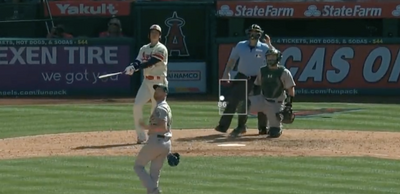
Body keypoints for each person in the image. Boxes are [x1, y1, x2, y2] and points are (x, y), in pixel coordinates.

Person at [215, 24, 275, 137]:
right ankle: (228, 126)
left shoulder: (264, 47)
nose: (253, 34)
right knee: (234, 101)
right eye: (251, 32)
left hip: (258, 78)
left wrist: (270, 44)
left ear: (259, 34)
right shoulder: (240, 45)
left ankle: (263, 128)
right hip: (242, 76)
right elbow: (232, 60)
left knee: (261, 102)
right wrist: (227, 72)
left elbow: (276, 57)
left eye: (256, 32)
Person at [124, 24, 168, 144]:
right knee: (137, 106)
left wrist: (136, 68)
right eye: (152, 32)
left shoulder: (161, 48)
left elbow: (151, 62)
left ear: (160, 36)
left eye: (157, 32)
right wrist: (132, 66)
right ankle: (141, 136)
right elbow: (138, 60)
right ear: (149, 35)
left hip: (159, 83)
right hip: (147, 81)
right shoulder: (144, 48)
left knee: (156, 110)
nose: (154, 34)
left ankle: (156, 135)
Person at [134, 83, 172, 194]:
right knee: (154, 174)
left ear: (165, 93)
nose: (156, 92)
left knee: (138, 166)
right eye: (155, 90)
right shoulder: (166, 106)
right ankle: (153, 191)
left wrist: (146, 127)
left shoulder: (161, 107)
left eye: (159, 90)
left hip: (156, 142)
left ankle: (154, 191)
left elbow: (163, 127)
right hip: (165, 143)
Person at [249, 48, 296, 138]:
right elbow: (256, 85)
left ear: (278, 58)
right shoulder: (262, 70)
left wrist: (289, 105)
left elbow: (290, 89)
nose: (270, 59)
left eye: (273, 56)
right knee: (242, 105)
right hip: (263, 99)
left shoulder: (284, 72)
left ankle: (276, 127)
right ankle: (242, 126)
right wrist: (252, 98)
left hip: (276, 103)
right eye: (269, 57)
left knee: (274, 132)